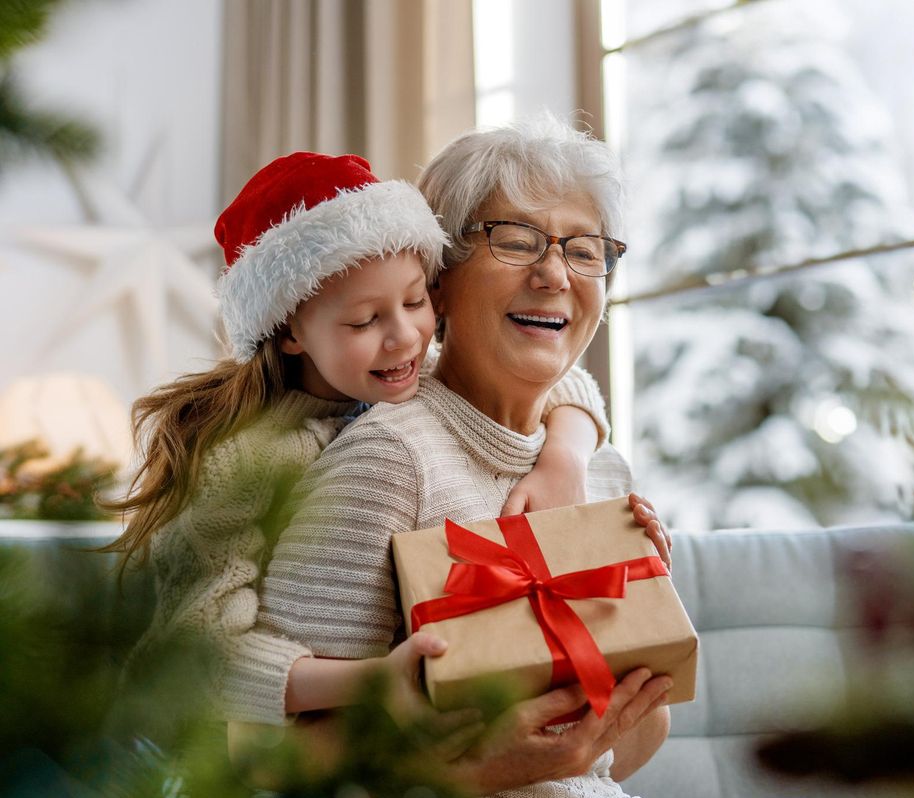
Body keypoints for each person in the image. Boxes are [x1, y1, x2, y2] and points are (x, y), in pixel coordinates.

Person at [238, 119, 862, 798]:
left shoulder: (596, 465)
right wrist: (478, 765)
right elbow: (262, 755)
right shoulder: (388, 456)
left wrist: (631, 649)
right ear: (437, 280)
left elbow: (618, 754)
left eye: (585, 249)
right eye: (515, 239)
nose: (555, 273)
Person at [104, 151, 628, 727]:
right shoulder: (243, 460)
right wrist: (376, 679)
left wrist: (565, 456)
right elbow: (199, 654)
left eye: (414, 301)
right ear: (289, 334)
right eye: (364, 321)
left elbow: (565, 378)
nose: (404, 338)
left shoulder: (403, 376)